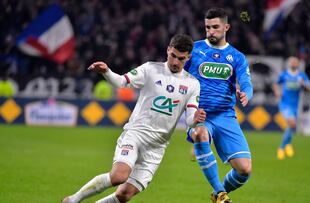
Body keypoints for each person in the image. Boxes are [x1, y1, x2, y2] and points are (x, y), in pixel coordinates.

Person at [62, 34, 206, 203]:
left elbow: (189, 120)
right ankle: (72, 200)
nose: (175, 62)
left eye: (181, 59)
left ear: (188, 57)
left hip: (157, 147)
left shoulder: (193, 84)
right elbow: (122, 82)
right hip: (136, 135)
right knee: (119, 176)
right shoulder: (151, 69)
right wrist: (107, 72)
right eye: (173, 55)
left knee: (124, 194)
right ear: (168, 50)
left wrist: (195, 119)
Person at [184, 8, 253, 203]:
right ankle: (220, 192)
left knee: (244, 170)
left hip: (225, 115)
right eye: (207, 28)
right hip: (200, 114)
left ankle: (217, 195)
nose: (211, 31)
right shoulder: (194, 50)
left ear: (226, 27)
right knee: (200, 133)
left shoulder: (237, 57)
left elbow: (246, 82)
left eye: (215, 27)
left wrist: (246, 93)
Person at [272, 56, 310, 160]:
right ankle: (281, 148)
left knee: (291, 126)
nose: (293, 63)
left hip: (295, 105)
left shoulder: (301, 76)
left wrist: (304, 85)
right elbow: (275, 84)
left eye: (295, 62)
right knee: (292, 123)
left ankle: (288, 144)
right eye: (292, 62)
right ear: (289, 63)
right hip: (285, 104)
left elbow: (309, 89)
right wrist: (277, 92)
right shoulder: (284, 74)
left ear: (298, 64)